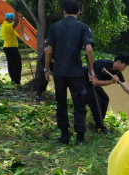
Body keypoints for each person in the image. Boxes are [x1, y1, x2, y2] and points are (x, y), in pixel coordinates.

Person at [45, 0, 95, 145]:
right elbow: (89, 49)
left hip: (59, 73)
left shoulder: (54, 27)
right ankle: (80, 137)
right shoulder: (83, 27)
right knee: (79, 104)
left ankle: (64, 135)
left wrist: (46, 69)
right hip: (76, 73)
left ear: (64, 12)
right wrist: (91, 70)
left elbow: (48, 50)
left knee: (61, 103)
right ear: (78, 12)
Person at [84, 53, 129, 134]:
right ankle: (101, 126)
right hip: (84, 83)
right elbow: (94, 82)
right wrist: (111, 81)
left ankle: (98, 123)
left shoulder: (117, 72)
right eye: (125, 65)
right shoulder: (102, 64)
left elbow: (125, 86)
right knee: (96, 101)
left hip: (94, 85)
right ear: (119, 62)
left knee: (105, 99)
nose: (125, 68)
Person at [1, 10, 22, 84]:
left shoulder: (5, 24)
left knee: (13, 64)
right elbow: (16, 23)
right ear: (8, 19)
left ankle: (15, 81)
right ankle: (16, 81)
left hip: (9, 47)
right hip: (10, 48)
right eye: (12, 19)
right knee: (16, 65)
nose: (12, 21)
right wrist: (17, 14)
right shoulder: (7, 26)